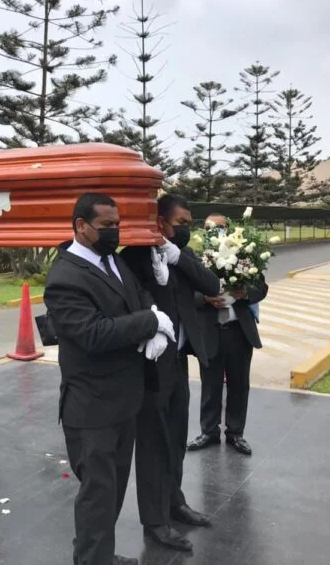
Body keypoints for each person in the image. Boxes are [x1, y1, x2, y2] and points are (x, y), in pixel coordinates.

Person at [44, 193, 176, 565]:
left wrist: (152, 316)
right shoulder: (64, 277)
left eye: (117, 225)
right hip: (93, 409)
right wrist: (151, 322)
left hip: (124, 399)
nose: (114, 232)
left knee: (112, 491)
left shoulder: (111, 260)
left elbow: (137, 294)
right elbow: (93, 334)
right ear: (81, 226)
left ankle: (101, 555)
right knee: (97, 496)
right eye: (106, 227)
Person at [120, 195, 220, 552]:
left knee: (176, 439)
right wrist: (157, 289)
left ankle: (175, 502)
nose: (186, 229)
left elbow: (211, 285)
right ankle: (155, 519)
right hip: (149, 367)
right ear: (160, 222)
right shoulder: (132, 257)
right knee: (152, 445)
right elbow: (133, 301)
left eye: (189, 222)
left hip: (178, 362)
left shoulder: (182, 255)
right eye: (181, 223)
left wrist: (177, 258)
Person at [187, 213, 268, 455]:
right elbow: (184, 293)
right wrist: (204, 298)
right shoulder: (195, 258)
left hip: (239, 331)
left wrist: (245, 292)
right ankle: (208, 432)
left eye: (221, 228)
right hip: (210, 331)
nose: (216, 233)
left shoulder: (244, 254)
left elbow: (261, 287)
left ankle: (236, 433)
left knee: (239, 384)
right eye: (211, 229)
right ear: (203, 230)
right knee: (210, 385)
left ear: (230, 229)